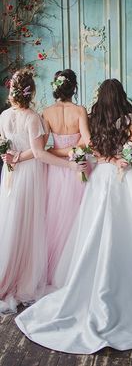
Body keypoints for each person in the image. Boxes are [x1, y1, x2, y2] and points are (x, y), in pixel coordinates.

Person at [15, 78, 132, 354]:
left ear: (100, 97)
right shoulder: (129, 117)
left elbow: (93, 149)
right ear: (121, 96)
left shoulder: (92, 116)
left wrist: (112, 159)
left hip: (102, 177)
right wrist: (123, 159)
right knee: (131, 230)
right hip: (123, 177)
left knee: (97, 230)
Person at [0, 69, 84, 314]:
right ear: (31, 91)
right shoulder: (33, 117)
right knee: (27, 222)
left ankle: (8, 271)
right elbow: (38, 153)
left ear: (11, 90)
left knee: (10, 220)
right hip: (28, 174)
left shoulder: (4, 116)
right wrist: (69, 164)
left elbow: (3, 146)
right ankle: (22, 277)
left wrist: (11, 156)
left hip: (10, 172)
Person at [42, 69, 91, 286]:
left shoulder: (46, 112)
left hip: (56, 169)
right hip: (77, 166)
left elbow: (43, 147)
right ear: (74, 87)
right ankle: (75, 269)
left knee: (55, 216)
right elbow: (87, 141)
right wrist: (72, 152)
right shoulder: (80, 110)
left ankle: (57, 272)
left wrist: (58, 151)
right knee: (77, 217)